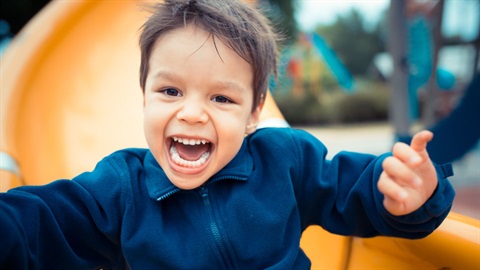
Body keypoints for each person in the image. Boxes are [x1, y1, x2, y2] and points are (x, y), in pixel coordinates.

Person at [0, 0, 455, 269]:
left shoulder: (286, 162)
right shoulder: (122, 188)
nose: (192, 113)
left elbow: (355, 192)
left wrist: (413, 193)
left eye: (221, 99)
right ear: (144, 97)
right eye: (170, 90)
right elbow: (45, 222)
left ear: (254, 113)